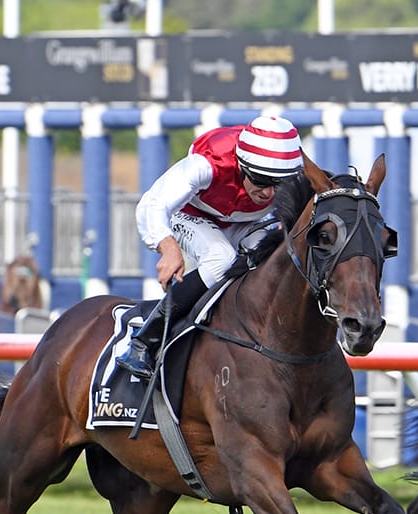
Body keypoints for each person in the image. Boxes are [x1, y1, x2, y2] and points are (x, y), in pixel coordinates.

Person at [116, 115, 304, 378]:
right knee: (221, 257)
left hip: (250, 221)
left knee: (274, 259)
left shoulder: (292, 166)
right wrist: (168, 246)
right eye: (261, 180)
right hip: (193, 215)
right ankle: (146, 339)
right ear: (241, 166)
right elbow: (153, 204)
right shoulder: (208, 163)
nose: (269, 194)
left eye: (279, 184)